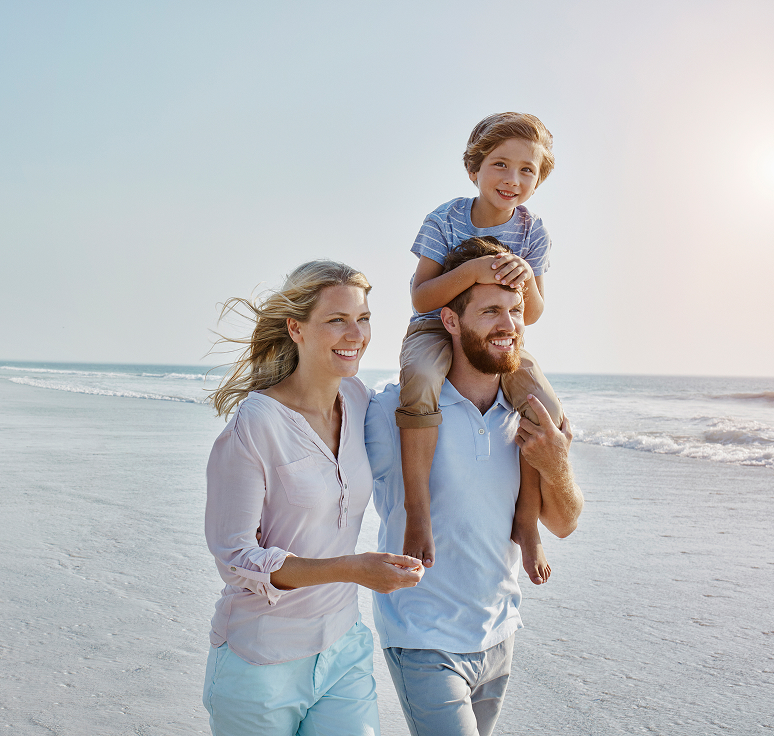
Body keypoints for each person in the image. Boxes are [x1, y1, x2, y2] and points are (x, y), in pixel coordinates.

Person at [366, 238, 583, 736]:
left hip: (500, 634)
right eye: (490, 311)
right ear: (450, 321)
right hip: (423, 637)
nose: (508, 324)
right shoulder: (388, 411)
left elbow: (567, 523)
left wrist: (557, 464)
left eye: (514, 310)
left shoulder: (530, 414)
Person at [203, 260, 424, 736]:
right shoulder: (255, 424)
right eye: (337, 320)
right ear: (295, 328)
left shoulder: (360, 400)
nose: (356, 334)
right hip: (261, 660)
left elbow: (431, 395)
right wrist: (352, 569)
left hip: (344, 648)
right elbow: (236, 557)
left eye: (363, 318)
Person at [397, 112, 566, 585]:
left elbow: (530, 314)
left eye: (527, 170)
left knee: (543, 410)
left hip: (500, 335)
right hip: (435, 327)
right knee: (420, 384)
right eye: (500, 165)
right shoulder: (445, 218)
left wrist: (526, 277)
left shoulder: (533, 233)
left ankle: (527, 524)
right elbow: (421, 297)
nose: (512, 179)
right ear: (475, 169)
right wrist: (472, 273)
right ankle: (418, 512)